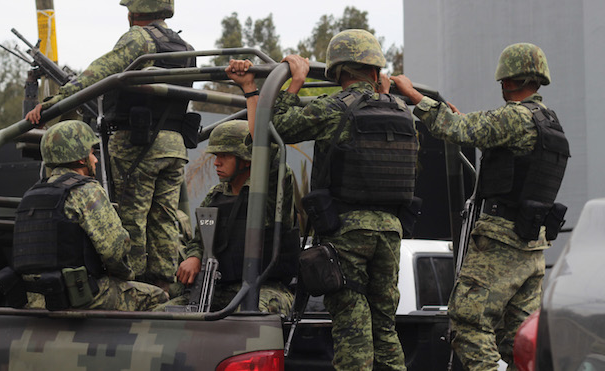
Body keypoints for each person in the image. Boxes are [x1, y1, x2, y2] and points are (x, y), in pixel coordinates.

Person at [227, 29, 417, 370]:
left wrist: (295, 83)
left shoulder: (334, 108)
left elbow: (274, 130)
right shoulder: (402, 112)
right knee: (384, 328)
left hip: (348, 232)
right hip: (391, 231)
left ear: (337, 71)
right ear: (375, 72)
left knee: (353, 328)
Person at [391, 43, 570, 370]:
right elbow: (488, 138)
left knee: (468, 325)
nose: (500, 85)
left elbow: (457, 130)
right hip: (531, 247)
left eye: (503, 80)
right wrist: (457, 119)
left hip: (501, 243)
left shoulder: (514, 117)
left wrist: (415, 97)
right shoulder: (549, 122)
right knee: (515, 340)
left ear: (511, 80)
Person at [26, 0, 198, 294]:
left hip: (138, 143)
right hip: (174, 145)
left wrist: (51, 104)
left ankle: (134, 289)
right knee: (163, 218)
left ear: (135, 9)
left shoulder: (138, 40)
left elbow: (99, 72)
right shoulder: (185, 48)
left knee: (133, 218)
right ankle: (162, 286)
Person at [11, 120, 168, 311]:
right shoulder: (86, 190)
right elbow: (115, 250)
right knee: (158, 297)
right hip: (78, 296)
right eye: (92, 153)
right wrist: (127, 275)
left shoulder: (30, 195)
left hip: (35, 299)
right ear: (79, 158)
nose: (95, 159)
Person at [173, 120, 298, 314]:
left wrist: (250, 92)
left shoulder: (269, 194)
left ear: (247, 158)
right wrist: (194, 257)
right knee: (160, 314)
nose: (216, 162)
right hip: (219, 289)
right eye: (216, 156)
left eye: (224, 156)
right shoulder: (215, 195)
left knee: (245, 317)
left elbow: (271, 157)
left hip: (267, 289)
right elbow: (200, 241)